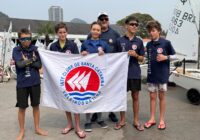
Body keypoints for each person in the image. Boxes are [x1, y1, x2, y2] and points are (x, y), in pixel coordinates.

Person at [49, 22, 86, 138]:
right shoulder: (53, 46)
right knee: (66, 102)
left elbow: (77, 61)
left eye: (64, 32)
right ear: (57, 33)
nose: (62, 34)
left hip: (72, 77)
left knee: (74, 101)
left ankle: (78, 127)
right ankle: (69, 124)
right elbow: (51, 61)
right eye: (60, 32)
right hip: (60, 78)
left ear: (67, 32)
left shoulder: (73, 45)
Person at [12, 28, 48, 140]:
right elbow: (20, 65)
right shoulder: (16, 50)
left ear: (31, 38)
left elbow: (39, 65)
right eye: (23, 39)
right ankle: (22, 131)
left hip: (35, 82)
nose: (26, 41)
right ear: (19, 39)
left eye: (28, 38)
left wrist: (27, 61)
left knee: (36, 106)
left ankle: (37, 128)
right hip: (22, 84)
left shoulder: (36, 49)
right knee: (22, 108)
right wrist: (32, 60)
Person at [88, 12, 120, 123]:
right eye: (101, 19)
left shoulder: (115, 34)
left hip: (111, 68)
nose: (104, 21)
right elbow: (86, 49)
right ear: (98, 21)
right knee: (97, 91)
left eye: (105, 18)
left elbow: (120, 51)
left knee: (111, 91)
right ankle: (96, 113)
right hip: (97, 69)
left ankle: (111, 112)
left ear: (108, 20)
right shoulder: (91, 34)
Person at [114, 16, 145, 131]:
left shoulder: (139, 41)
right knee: (122, 98)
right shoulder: (119, 41)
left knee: (135, 97)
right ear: (126, 25)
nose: (134, 26)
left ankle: (136, 121)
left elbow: (142, 59)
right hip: (122, 75)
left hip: (134, 73)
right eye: (132, 24)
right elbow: (114, 58)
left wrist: (136, 55)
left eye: (136, 25)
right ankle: (122, 120)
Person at [144, 20, 176, 130]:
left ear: (158, 31)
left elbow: (175, 56)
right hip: (151, 75)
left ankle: (162, 120)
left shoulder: (166, 43)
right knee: (152, 97)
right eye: (149, 31)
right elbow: (147, 58)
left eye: (153, 30)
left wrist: (165, 57)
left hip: (162, 76)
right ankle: (152, 119)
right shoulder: (148, 44)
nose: (151, 33)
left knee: (161, 97)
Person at [81, 21, 109, 132]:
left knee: (99, 96)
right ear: (90, 30)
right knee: (88, 97)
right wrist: (82, 53)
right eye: (94, 29)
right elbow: (79, 59)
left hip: (100, 75)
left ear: (100, 31)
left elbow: (110, 59)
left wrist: (104, 54)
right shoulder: (85, 43)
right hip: (88, 75)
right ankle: (88, 121)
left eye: (98, 30)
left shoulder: (104, 44)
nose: (96, 31)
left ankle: (99, 119)